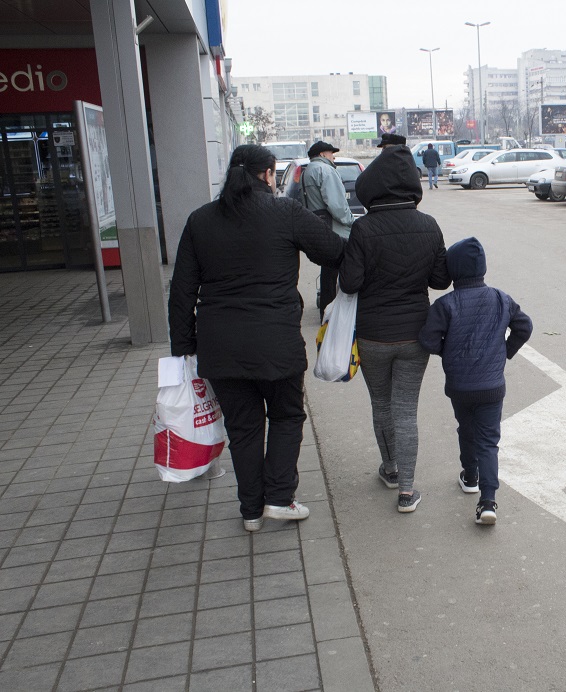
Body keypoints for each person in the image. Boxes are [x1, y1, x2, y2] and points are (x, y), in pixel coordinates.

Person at [168, 144, 346, 532]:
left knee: (243, 427)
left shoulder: (200, 220)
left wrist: (182, 348)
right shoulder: (285, 212)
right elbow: (334, 251)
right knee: (286, 415)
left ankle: (251, 510)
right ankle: (279, 498)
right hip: (276, 341)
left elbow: (182, 290)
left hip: (220, 347)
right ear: (267, 175)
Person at [339, 139, 450, 513]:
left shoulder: (363, 229)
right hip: (416, 335)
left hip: (372, 335)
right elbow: (439, 281)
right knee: (406, 410)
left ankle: (389, 468)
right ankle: (407, 490)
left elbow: (350, 283)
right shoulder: (428, 225)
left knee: (381, 405)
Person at [418, 237, 533, 525]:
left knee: (466, 428)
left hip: (459, 386)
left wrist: (450, 352)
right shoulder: (500, 298)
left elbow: (428, 339)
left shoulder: (446, 304)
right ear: (483, 267)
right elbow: (524, 326)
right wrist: (505, 352)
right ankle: (488, 501)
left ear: (453, 271)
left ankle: (470, 476)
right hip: (492, 386)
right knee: (489, 441)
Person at [302, 141, 354, 319]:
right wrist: (351, 221)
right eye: (331, 153)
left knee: (328, 272)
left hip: (320, 226)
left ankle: (326, 309)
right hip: (336, 229)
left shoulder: (307, 171)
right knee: (342, 268)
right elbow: (337, 204)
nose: (334, 157)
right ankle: (337, 312)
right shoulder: (325, 170)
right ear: (323, 154)